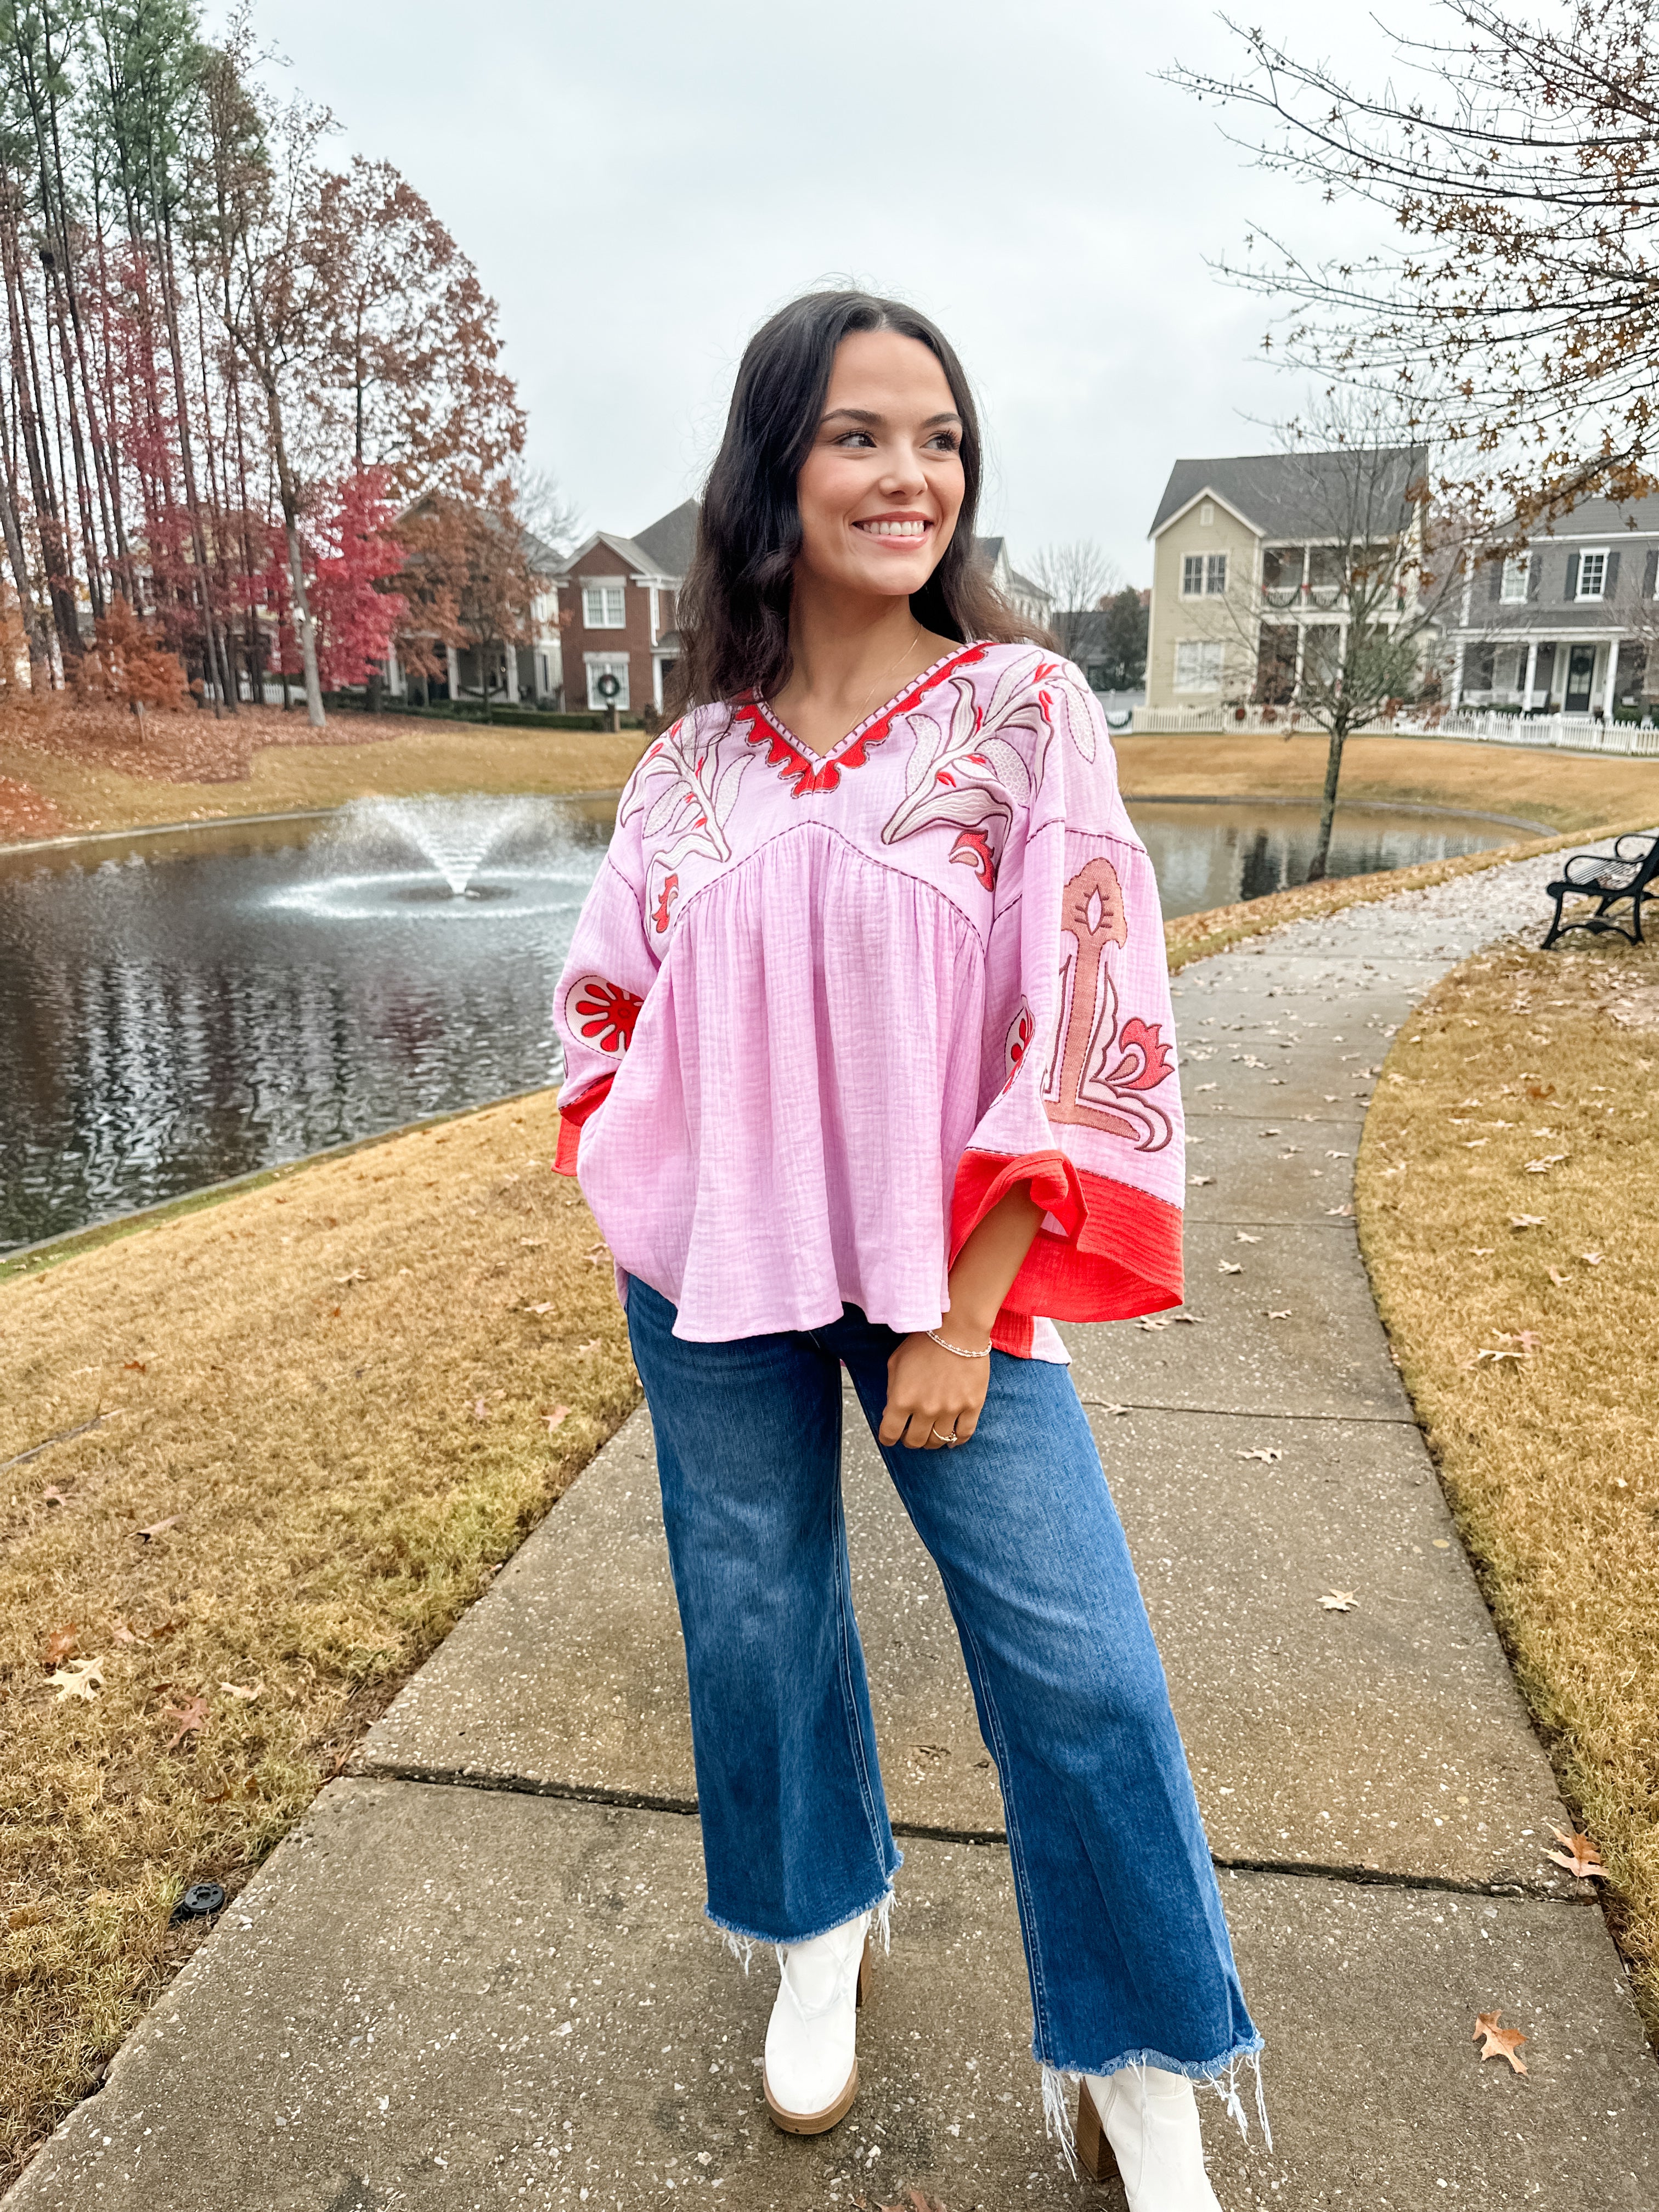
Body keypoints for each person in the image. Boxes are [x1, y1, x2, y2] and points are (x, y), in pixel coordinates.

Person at [552, 290, 1263, 2210]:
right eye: (864, 432)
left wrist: (964, 1310)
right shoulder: (687, 766)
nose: (912, 473)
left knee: (1079, 1663)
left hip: (950, 1273)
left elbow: (1092, 1010)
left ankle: (1138, 2054)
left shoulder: (1025, 713)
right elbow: (603, 998)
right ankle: (816, 1927)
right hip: (713, 1270)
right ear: (776, 462)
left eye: (940, 436)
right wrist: (651, 1160)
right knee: (759, 1619)